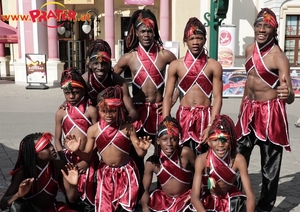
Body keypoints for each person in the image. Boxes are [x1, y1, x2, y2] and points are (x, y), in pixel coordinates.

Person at [235, 8, 295, 212]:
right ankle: (236, 198)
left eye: (266, 26)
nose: (261, 29)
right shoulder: (248, 49)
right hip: (248, 112)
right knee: (237, 155)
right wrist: (242, 106)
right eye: (259, 25)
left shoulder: (279, 57)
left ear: (274, 30)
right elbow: (248, 82)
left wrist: (287, 94)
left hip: (269, 115)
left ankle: (265, 206)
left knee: (269, 166)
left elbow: (291, 98)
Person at [113, 9, 177, 193]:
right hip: (138, 113)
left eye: (150, 31)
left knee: (164, 153)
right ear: (136, 32)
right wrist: (123, 102)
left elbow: (182, 78)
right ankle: (139, 192)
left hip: (159, 113)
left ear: (155, 32)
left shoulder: (166, 55)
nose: (146, 34)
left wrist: (170, 102)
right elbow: (109, 80)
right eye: (143, 31)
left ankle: (166, 191)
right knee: (136, 155)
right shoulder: (129, 57)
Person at [63, 85, 152, 212]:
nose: (108, 115)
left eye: (112, 111)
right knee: (105, 207)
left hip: (127, 173)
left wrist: (143, 149)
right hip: (105, 174)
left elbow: (139, 153)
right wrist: (77, 150)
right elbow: (88, 156)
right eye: (104, 110)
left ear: (119, 109)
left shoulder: (128, 128)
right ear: (98, 109)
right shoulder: (93, 130)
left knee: (125, 208)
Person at [162, 17, 223, 155]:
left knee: (205, 159)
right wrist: (166, 122)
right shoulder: (176, 65)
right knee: (183, 158)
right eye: (191, 38)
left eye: (199, 38)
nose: (195, 42)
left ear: (205, 40)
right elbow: (168, 96)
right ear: (185, 41)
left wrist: (211, 125)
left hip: (206, 116)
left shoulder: (214, 65)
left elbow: (218, 97)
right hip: (183, 117)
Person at [54, 67, 99, 211]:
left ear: (83, 91)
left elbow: (98, 137)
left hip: (88, 157)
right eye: (67, 93)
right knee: (71, 194)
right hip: (68, 159)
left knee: (89, 191)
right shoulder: (61, 112)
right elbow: (57, 139)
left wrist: (87, 160)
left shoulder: (91, 111)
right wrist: (62, 158)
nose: (71, 96)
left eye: (75, 92)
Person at [190, 114, 256, 212]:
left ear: (231, 141)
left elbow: (250, 196)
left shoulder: (238, 159)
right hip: (209, 199)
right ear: (208, 142)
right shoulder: (201, 160)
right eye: (215, 140)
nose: (220, 145)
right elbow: (194, 197)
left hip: (231, 199)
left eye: (224, 140)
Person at [0, 132, 79, 212]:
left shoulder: (58, 166)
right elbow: (3, 204)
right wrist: (18, 195)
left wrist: (72, 185)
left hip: (52, 208)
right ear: (36, 154)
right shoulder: (23, 172)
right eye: (46, 147)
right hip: (31, 210)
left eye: (50, 144)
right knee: (16, 207)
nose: (52, 148)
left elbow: (72, 199)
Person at [141, 116, 196, 212]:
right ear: (158, 141)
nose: (169, 143)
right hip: (164, 200)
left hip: (187, 198)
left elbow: (201, 174)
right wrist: (145, 207)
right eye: (164, 139)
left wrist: (195, 194)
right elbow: (145, 189)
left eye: (174, 139)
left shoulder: (186, 153)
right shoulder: (152, 162)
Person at [83, 39, 138, 123]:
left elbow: (132, 111)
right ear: (89, 64)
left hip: (113, 120)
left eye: (104, 63)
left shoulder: (119, 82)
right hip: (90, 120)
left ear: (110, 64)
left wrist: (124, 122)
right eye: (96, 63)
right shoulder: (84, 80)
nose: (100, 68)